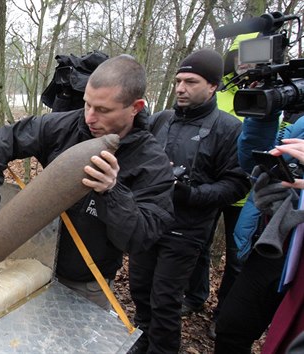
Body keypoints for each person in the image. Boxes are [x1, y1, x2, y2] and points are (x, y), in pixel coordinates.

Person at [0, 55, 175, 310]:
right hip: (32, 266)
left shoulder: (151, 161)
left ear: (136, 107)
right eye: (88, 104)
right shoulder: (66, 125)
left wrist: (112, 191)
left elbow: (141, 238)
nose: (89, 117)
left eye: (103, 110)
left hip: (86, 285)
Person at [128, 48, 250, 353]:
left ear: (212, 86)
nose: (181, 88)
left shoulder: (230, 129)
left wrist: (190, 193)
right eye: (178, 81)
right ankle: (141, 342)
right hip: (147, 223)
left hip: (186, 230)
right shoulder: (161, 119)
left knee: (165, 301)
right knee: (140, 291)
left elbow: (236, 185)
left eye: (191, 82)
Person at [181, 33, 258, 338]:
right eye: (241, 56)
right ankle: (195, 296)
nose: (246, 63)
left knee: (238, 255)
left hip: (248, 192)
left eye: (253, 57)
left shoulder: (273, 95)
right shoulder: (220, 90)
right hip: (207, 186)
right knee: (200, 246)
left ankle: (224, 312)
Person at [215, 117, 304, 353]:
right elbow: (254, 160)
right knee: (231, 325)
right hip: (278, 241)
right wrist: (262, 117)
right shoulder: (302, 123)